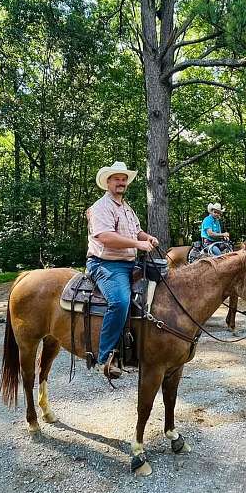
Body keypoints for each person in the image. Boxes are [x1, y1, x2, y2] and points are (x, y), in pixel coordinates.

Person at [85, 161, 159, 379]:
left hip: (128, 263)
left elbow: (137, 231)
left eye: (124, 179)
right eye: (116, 178)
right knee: (120, 302)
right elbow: (106, 238)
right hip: (106, 264)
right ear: (107, 182)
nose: (121, 182)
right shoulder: (101, 207)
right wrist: (138, 245)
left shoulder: (127, 208)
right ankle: (104, 357)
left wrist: (148, 238)